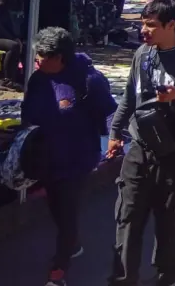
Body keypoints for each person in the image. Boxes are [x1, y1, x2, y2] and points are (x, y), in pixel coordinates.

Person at [107, 0, 175, 286]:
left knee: (170, 221)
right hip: (139, 150)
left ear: (171, 26)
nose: (144, 30)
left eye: (151, 25)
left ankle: (168, 274)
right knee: (127, 217)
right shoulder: (142, 54)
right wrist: (116, 133)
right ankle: (123, 278)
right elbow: (130, 98)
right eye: (143, 24)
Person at [22, 27, 116, 286]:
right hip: (46, 159)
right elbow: (28, 110)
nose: (38, 60)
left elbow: (109, 111)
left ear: (60, 57)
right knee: (55, 207)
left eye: (43, 55)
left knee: (66, 212)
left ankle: (58, 270)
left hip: (77, 159)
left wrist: (116, 140)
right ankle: (72, 243)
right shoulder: (38, 78)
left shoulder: (88, 80)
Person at [0, 0, 24, 90]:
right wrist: (13, 38)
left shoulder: (2, 10)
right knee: (13, 46)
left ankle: (16, 79)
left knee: (20, 45)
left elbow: (6, 27)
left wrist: (16, 37)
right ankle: (5, 80)